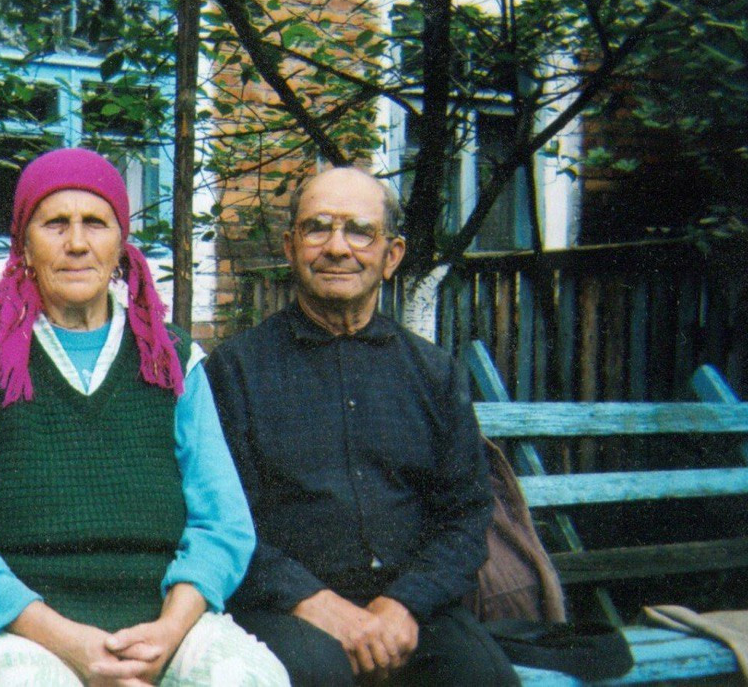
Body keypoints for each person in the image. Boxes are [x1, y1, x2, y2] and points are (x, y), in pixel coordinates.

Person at [0, 148, 287, 686]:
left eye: (96, 223)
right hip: (12, 624)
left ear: (121, 244)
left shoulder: (172, 359)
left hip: (157, 617)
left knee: (249, 679)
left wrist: (168, 634)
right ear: (24, 246)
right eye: (55, 223)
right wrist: (73, 647)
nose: (77, 243)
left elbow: (222, 524)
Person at [205, 167, 519, 687]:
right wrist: (313, 602)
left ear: (391, 256)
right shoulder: (237, 370)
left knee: (484, 677)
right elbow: (224, 519)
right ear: (291, 246)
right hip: (285, 610)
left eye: (358, 231)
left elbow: (466, 516)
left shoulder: (434, 373)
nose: (336, 247)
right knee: (320, 673)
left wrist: (403, 603)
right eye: (317, 228)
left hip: (409, 609)